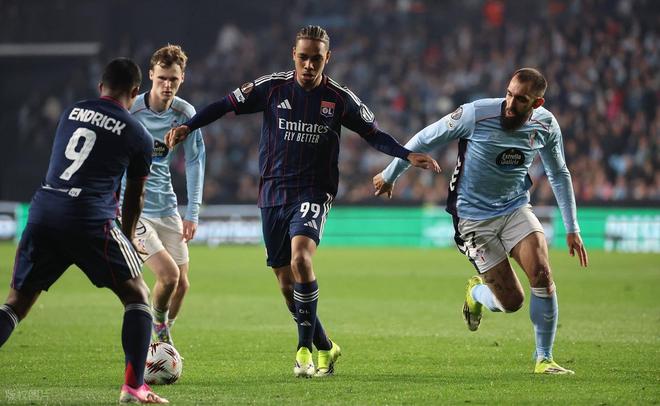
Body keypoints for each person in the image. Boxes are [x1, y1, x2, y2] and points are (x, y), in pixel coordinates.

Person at [165, 25, 440, 378]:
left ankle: (303, 350)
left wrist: (405, 155)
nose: (309, 65)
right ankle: (326, 345)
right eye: (304, 57)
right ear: (293, 55)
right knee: (286, 285)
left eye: (317, 59)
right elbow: (224, 105)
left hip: (314, 190)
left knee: (301, 259)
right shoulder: (271, 88)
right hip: (272, 193)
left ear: (328, 58)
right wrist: (190, 126)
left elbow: (374, 134)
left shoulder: (339, 98)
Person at [374, 68, 589, 375]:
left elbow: (558, 172)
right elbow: (425, 137)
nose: (510, 104)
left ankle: (544, 359)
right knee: (512, 301)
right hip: (473, 218)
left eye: (521, 100)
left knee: (542, 273)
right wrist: (390, 174)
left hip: (515, 208)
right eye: (509, 94)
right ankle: (476, 293)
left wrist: (572, 228)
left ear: (537, 103)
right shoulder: (476, 114)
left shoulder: (546, 125)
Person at [0, 58, 168, 403]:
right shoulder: (138, 134)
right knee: (137, 295)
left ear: (101, 86)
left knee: (16, 303)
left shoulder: (71, 112)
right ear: (136, 91)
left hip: (44, 210)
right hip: (90, 217)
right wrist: (127, 236)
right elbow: (134, 197)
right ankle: (134, 386)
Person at [126, 44, 205, 344]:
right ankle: (161, 338)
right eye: (162, 78)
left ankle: (158, 346)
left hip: (168, 208)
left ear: (182, 78)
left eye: (173, 79)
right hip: (135, 210)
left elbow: (196, 161)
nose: (167, 85)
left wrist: (192, 213)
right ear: (151, 75)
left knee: (182, 285)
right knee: (169, 276)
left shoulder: (185, 114)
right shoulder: (132, 110)